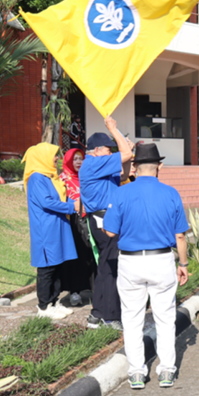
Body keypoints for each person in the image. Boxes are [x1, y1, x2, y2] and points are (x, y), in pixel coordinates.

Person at [102, 143, 189, 389]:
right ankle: (167, 371)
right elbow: (180, 236)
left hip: (130, 261)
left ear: (134, 167)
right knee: (164, 318)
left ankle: (137, 373)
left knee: (131, 319)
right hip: (161, 260)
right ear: (159, 166)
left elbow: (109, 231)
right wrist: (183, 263)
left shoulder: (120, 192)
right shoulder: (171, 193)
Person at [80, 116, 133, 330]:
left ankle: (97, 314)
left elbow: (125, 174)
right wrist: (114, 128)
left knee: (105, 267)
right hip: (103, 220)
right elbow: (127, 153)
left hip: (104, 219)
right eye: (108, 149)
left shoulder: (98, 166)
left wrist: (125, 152)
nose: (111, 152)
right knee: (111, 268)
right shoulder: (93, 163)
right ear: (97, 150)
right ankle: (109, 317)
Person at [24, 143, 80, 320]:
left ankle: (54, 302)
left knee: (57, 266)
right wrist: (72, 206)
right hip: (46, 229)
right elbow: (46, 202)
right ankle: (43, 306)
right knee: (47, 268)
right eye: (54, 155)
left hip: (57, 226)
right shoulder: (36, 178)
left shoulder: (48, 177)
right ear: (43, 156)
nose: (57, 158)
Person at [58, 148, 94, 308]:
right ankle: (74, 291)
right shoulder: (62, 179)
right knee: (75, 257)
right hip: (72, 221)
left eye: (81, 159)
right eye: (75, 159)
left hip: (89, 219)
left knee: (91, 254)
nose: (79, 162)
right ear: (68, 161)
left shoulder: (88, 177)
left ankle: (94, 290)